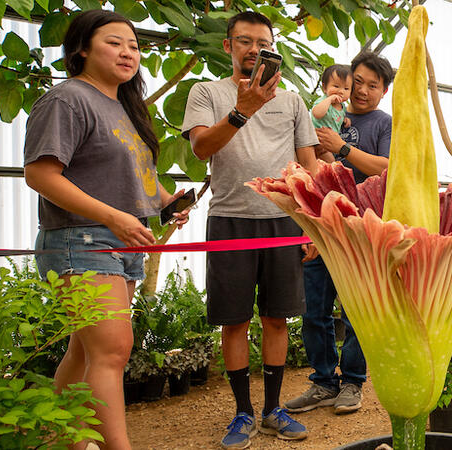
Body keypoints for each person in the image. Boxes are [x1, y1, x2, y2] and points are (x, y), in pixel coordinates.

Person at [24, 10, 190, 449]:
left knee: (86, 350)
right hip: (81, 239)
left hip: (120, 242)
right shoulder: (66, 99)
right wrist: (113, 216)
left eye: (134, 46)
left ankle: (70, 442)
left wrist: (166, 201)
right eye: (114, 43)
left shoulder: (124, 107)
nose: (127, 52)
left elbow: (134, 175)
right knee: (112, 350)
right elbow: (40, 174)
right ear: (81, 49)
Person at [182, 11, 317, 448]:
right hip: (230, 220)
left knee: (277, 318)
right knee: (234, 320)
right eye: (245, 41)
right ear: (228, 46)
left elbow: (309, 165)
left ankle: (273, 409)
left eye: (263, 43)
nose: (255, 50)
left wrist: (313, 224)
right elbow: (201, 147)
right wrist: (243, 110)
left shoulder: (292, 101)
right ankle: (242, 412)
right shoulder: (206, 92)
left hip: (283, 221)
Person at [285, 51, 395, 416]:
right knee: (314, 309)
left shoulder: (384, 123)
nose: (361, 91)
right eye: (357, 82)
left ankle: (352, 382)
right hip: (321, 225)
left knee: (356, 311)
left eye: (372, 85)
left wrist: (342, 147)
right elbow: (304, 161)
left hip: (362, 230)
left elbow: (387, 168)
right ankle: (323, 381)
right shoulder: (322, 114)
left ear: (384, 91)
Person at [311, 64, 352, 132]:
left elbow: (337, 119)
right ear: (324, 87)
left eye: (346, 88)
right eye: (336, 86)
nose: (341, 91)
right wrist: (330, 99)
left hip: (331, 137)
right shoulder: (323, 101)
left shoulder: (342, 107)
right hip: (316, 135)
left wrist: (345, 119)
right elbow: (316, 114)